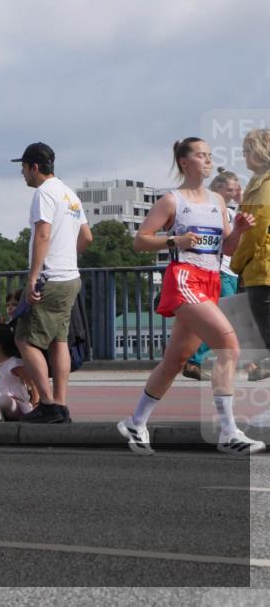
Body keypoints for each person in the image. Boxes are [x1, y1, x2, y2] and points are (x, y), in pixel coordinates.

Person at [117, 137, 262, 456]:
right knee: (228, 345)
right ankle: (228, 432)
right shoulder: (173, 201)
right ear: (185, 162)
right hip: (184, 279)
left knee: (175, 360)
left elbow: (227, 249)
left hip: (210, 279)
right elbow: (140, 241)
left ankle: (135, 420)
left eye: (210, 156)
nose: (208, 161)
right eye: (201, 156)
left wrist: (237, 230)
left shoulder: (217, 201)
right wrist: (176, 239)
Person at [11, 142, 93, 423]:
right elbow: (87, 238)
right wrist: (67, 256)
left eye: (23, 168)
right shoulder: (69, 194)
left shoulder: (44, 194)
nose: (22, 174)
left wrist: (33, 276)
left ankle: (46, 403)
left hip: (49, 279)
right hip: (70, 278)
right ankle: (60, 403)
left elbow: (43, 235)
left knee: (24, 338)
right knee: (59, 341)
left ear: (34, 167)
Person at [183, 169, 243, 380]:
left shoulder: (226, 211)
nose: (232, 193)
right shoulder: (219, 210)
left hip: (228, 271)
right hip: (222, 271)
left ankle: (193, 359)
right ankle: (195, 359)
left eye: (235, 189)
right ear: (217, 188)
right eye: (229, 189)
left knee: (221, 320)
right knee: (225, 320)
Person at [230, 128, 270, 382]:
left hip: (263, 270)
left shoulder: (263, 186)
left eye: (246, 151)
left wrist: (236, 262)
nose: (243, 157)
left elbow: (255, 230)